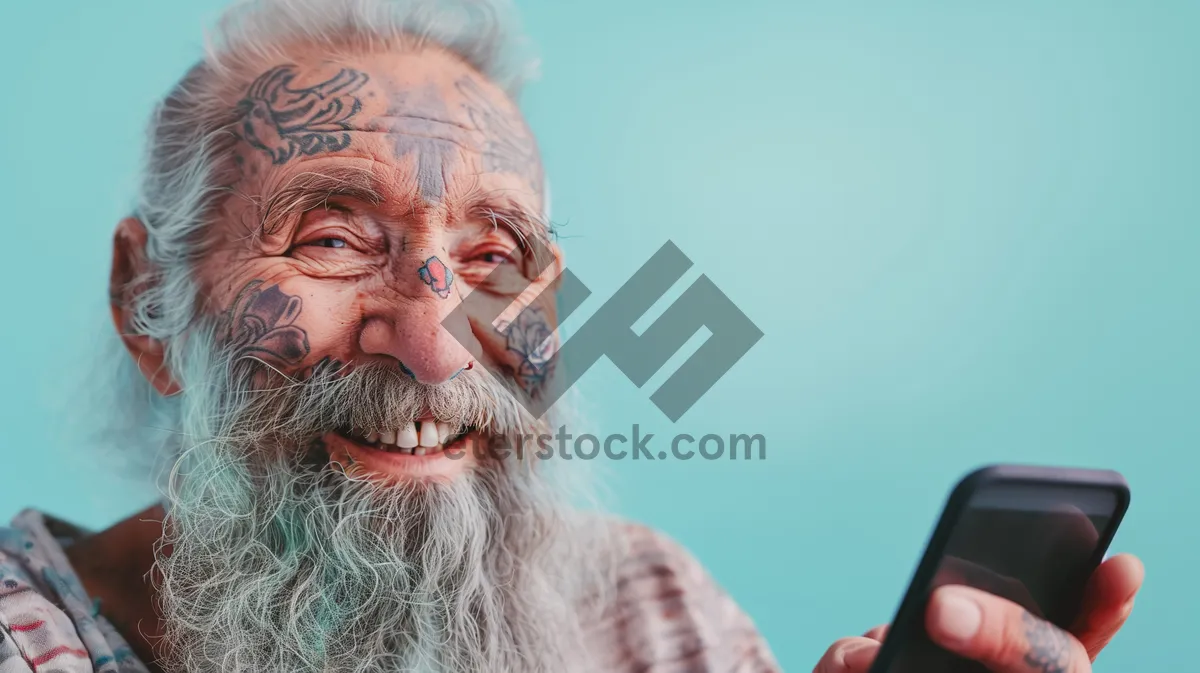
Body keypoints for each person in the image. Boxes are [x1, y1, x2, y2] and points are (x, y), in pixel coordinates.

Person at [0, 0, 1142, 671]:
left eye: (498, 257)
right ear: (145, 300)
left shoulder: (648, 610)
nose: (439, 347)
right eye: (335, 240)